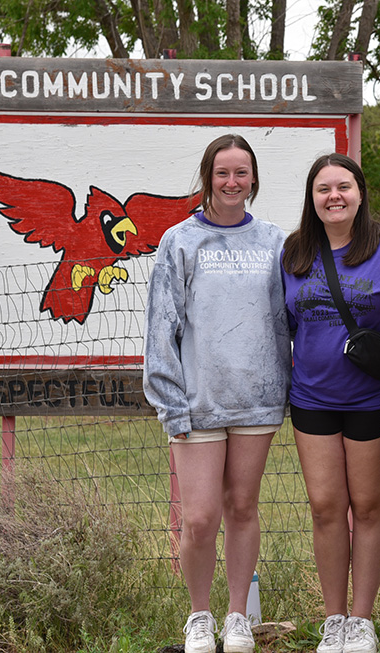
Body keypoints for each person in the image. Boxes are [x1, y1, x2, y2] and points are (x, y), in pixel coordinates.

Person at [143, 134, 291, 653]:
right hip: (197, 402)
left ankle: (236, 619)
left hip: (257, 398)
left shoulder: (274, 241)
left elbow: (283, 321)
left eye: (242, 173)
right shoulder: (179, 241)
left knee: (243, 507)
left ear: (254, 179)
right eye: (222, 172)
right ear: (207, 177)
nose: (232, 182)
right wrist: (169, 400)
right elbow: (163, 327)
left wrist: (285, 389)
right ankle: (199, 616)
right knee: (200, 516)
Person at [282, 152, 380, 653]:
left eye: (343, 187)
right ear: (312, 199)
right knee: (325, 508)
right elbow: (286, 324)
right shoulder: (294, 252)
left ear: (360, 193)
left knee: (370, 507)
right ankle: (333, 618)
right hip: (312, 397)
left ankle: (361, 620)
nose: (333, 196)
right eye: (323, 189)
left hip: (373, 400)